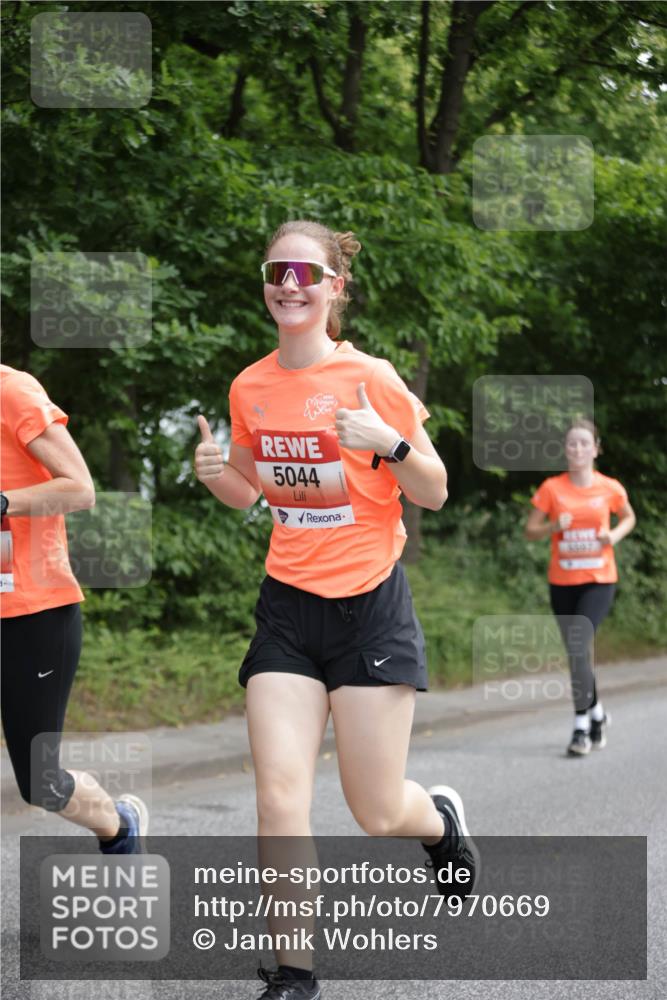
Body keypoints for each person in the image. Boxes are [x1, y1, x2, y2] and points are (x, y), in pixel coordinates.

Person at [195, 220, 479, 1000]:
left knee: (376, 809)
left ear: (333, 288)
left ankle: (440, 824)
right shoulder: (250, 386)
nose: (289, 284)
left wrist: (388, 443)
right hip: (287, 607)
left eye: (305, 273)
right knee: (279, 793)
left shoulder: (370, 377)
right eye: (276, 270)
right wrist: (214, 469)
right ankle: (295, 974)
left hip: (368, 609)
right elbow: (247, 494)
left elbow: (434, 489)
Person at [0, 364, 148, 852]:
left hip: (30, 613)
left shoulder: (14, 392)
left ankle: (120, 826)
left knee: (40, 784)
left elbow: (80, 488)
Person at [525, 418, 636, 756]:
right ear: (565, 450)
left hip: (599, 580)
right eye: (571, 443)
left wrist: (612, 536)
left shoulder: (610, 488)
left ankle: (581, 728)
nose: (577, 449)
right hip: (562, 580)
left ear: (595, 449)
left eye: (584, 443)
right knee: (577, 655)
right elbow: (531, 530)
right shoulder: (552, 488)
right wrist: (552, 527)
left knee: (578, 648)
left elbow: (629, 517)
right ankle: (599, 714)